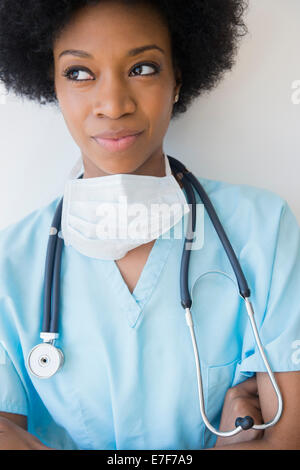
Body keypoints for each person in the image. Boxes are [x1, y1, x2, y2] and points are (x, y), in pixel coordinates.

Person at [0, 0, 299, 451]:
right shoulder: (10, 266)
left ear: (177, 78)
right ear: (52, 86)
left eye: (142, 67)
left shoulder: (263, 230)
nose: (113, 104)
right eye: (79, 73)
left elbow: (288, 437)